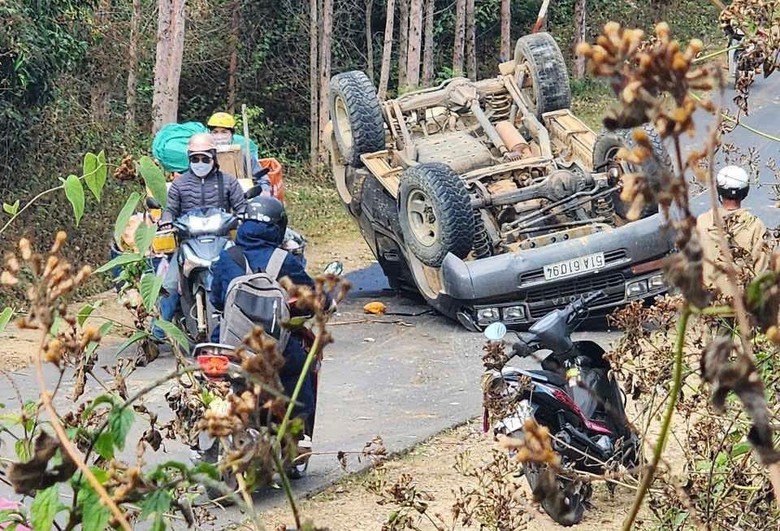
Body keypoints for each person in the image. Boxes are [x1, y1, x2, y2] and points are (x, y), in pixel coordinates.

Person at [209, 195, 322, 477]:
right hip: (272, 349)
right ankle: (298, 436)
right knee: (300, 368)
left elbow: (217, 299)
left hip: (229, 345)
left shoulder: (227, 257)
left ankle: (202, 441)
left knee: (208, 373)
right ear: (279, 227)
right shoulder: (284, 261)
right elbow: (311, 298)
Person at [157, 133, 248, 331]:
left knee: (244, 279)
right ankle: (158, 331)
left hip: (221, 241)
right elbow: (170, 210)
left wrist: (243, 216)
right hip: (188, 242)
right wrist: (166, 221)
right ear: (189, 159)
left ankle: (248, 324)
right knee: (169, 285)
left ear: (213, 157)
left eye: (204, 158)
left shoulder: (229, 182)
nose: (200, 162)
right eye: (195, 158)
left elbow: (241, 206)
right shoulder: (179, 185)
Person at [696, 165, 771, 299]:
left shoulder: (702, 222)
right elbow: (761, 272)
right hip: (741, 305)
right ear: (745, 192)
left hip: (709, 304)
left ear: (719, 190)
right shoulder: (755, 225)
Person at [207, 112, 272, 195]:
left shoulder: (244, 155)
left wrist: (264, 191)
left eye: (224, 132)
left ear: (231, 134)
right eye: (215, 132)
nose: (219, 137)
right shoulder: (206, 157)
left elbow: (262, 180)